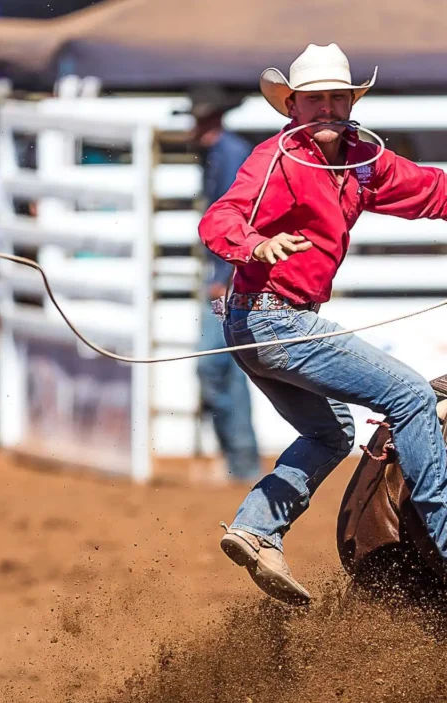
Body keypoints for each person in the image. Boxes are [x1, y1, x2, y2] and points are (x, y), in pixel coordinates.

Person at [199, 43, 447, 605]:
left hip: (259, 324)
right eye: (316, 100)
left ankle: (258, 525)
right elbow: (221, 218)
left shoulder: (360, 162)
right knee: (408, 393)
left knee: (330, 432)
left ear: (351, 101)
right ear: (293, 106)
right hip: (272, 320)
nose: (328, 108)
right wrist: (256, 244)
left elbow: (432, 190)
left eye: (338, 97)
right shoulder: (278, 159)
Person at [192, 87, 262, 484]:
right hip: (230, 277)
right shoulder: (224, 152)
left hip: (229, 280)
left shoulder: (229, 154)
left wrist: (223, 276)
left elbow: (236, 218)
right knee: (227, 370)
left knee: (215, 367)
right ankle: (241, 461)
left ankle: (240, 460)